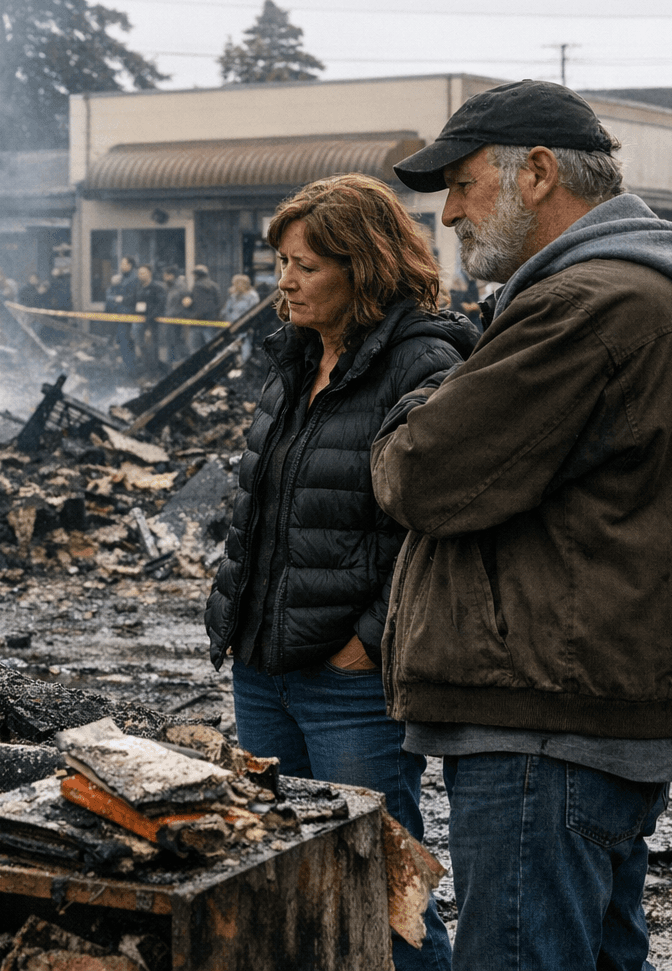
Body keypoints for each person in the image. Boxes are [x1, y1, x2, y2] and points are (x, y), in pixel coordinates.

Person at [377, 80, 672, 970]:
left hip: (543, 718)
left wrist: (418, 400)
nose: (448, 214)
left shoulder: (587, 305)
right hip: (575, 707)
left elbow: (422, 471)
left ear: (536, 172)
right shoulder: (618, 294)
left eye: (460, 185)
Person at [205, 173, 476, 971]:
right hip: (263, 667)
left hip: (349, 684)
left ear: (366, 268)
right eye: (281, 263)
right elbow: (264, 503)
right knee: (289, 877)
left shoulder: (422, 358)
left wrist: (365, 641)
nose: (283, 283)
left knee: (383, 887)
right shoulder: (293, 357)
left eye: (306, 266)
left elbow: (436, 521)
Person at [105, 256, 139, 374]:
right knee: (123, 343)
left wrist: (121, 299)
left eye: (123, 264)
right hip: (120, 315)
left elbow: (131, 297)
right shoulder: (123, 279)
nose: (121, 266)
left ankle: (130, 370)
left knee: (127, 343)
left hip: (128, 315)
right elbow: (111, 295)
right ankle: (128, 368)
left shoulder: (133, 279)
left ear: (129, 265)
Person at [184, 263, 224, 354]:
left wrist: (189, 312)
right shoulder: (214, 286)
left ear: (196, 275)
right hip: (210, 321)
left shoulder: (197, 286)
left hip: (196, 322)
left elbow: (191, 303)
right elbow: (218, 303)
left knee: (195, 348)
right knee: (212, 347)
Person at [222, 273, 261, 362]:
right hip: (232, 325)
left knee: (245, 344)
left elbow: (253, 310)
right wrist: (227, 318)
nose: (235, 286)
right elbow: (226, 310)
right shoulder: (234, 296)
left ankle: (245, 364)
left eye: (237, 283)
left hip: (245, 325)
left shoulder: (252, 296)